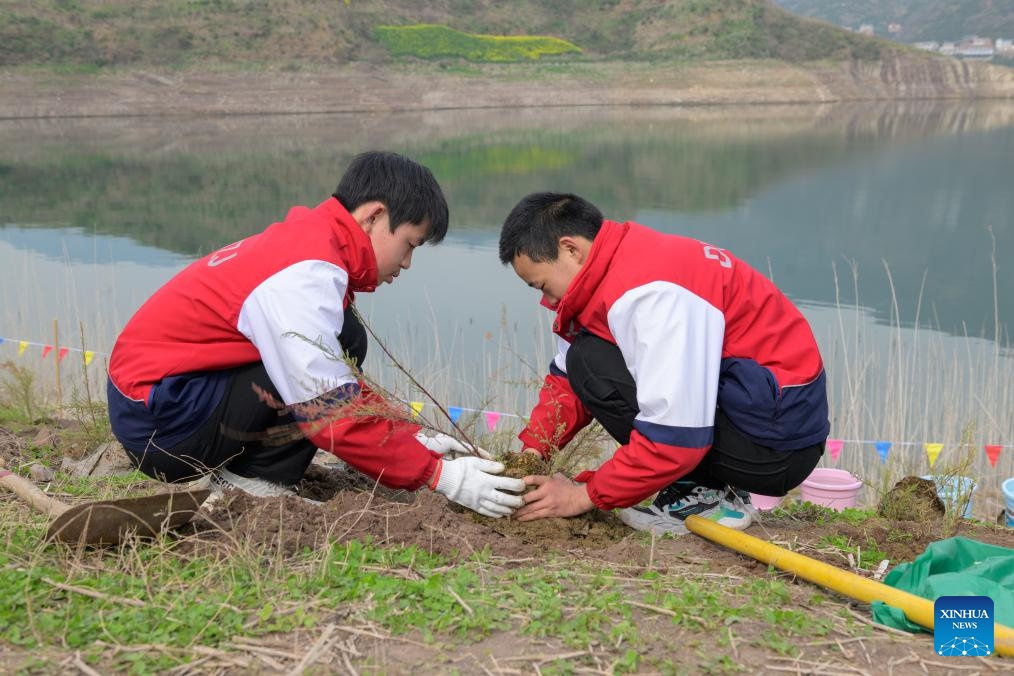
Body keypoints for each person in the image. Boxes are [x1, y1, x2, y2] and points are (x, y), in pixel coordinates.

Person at [107, 151, 524, 518]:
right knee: (313, 366)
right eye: (409, 244)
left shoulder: (312, 245)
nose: (408, 262)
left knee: (342, 338)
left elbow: (333, 382)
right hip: (161, 426)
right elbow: (329, 410)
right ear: (375, 215)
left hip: (170, 402)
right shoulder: (305, 274)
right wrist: (443, 477)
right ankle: (253, 489)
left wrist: (415, 435)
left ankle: (247, 477)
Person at [498, 192, 828, 535]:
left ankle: (705, 495)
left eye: (542, 284)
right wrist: (532, 453)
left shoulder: (651, 293)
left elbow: (675, 436)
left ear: (571, 249)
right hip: (753, 415)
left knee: (591, 363)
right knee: (586, 358)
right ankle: (705, 487)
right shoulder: (617, 267)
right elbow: (567, 379)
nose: (545, 299)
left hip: (776, 447)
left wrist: (583, 496)